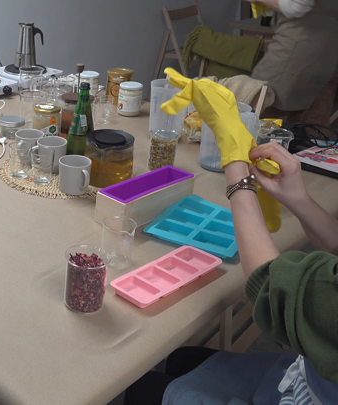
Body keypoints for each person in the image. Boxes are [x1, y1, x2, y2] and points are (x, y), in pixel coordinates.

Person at [124, 70, 338, 404]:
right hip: (312, 372)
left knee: (141, 388)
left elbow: (272, 288)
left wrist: (236, 166)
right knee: (182, 359)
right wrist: (298, 198)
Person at [246, 0, 338, 125]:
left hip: (299, 52)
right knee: (312, 128)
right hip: (327, 53)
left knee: (255, 110)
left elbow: (297, 5)